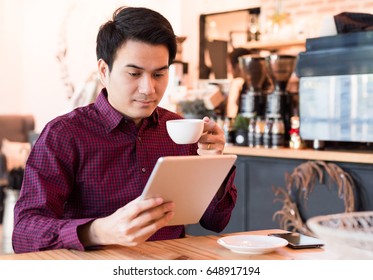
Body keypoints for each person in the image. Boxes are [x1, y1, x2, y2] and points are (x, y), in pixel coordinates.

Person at [12, 6, 237, 253]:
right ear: (104, 71)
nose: (148, 89)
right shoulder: (63, 134)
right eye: (134, 73)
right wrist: (98, 231)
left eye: (159, 74)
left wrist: (213, 164)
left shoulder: (179, 129)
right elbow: (24, 233)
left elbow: (216, 221)